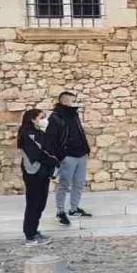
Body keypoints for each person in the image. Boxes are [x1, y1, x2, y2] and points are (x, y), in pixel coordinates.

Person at [44, 90, 92, 226]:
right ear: (64, 101)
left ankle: (74, 209)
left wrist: (86, 149)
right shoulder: (55, 117)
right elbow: (51, 140)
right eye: (73, 100)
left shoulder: (74, 115)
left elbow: (80, 132)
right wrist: (61, 156)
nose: (76, 102)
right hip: (68, 156)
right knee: (64, 185)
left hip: (81, 154)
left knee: (79, 183)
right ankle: (60, 212)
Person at [17, 109, 58, 246]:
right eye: (41, 117)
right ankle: (30, 235)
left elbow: (50, 147)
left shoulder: (39, 132)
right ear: (33, 119)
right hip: (33, 172)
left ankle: (34, 231)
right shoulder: (26, 134)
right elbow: (37, 154)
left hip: (43, 172)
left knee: (40, 203)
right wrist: (53, 161)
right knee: (33, 203)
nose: (44, 120)